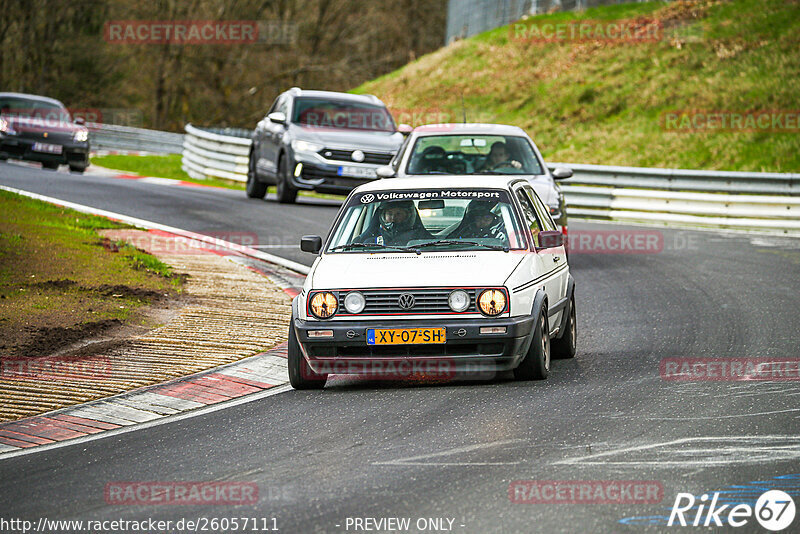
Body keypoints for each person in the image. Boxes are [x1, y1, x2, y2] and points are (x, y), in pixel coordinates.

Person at [354, 200, 432, 246]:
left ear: (409, 216)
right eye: (389, 214)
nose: (393, 218)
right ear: (382, 216)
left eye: (398, 214)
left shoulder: (425, 240)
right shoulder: (370, 243)